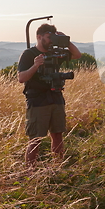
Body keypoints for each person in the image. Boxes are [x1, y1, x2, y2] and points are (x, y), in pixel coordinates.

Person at [18, 23, 81, 165]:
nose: (51, 40)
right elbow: (21, 78)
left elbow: (77, 55)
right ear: (39, 37)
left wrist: (65, 40)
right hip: (38, 100)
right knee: (35, 139)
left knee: (57, 134)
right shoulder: (29, 54)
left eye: (53, 37)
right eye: (48, 37)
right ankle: (30, 172)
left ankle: (58, 167)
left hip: (56, 97)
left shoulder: (56, 53)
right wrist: (35, 66)